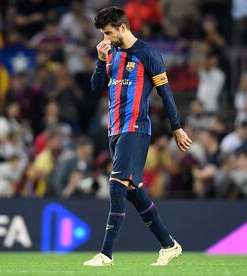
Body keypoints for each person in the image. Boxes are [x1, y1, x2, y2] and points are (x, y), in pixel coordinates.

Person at [84, 6, 192, 267]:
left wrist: (176, 127)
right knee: (132, 191)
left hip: (136, 128)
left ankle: (106, 254)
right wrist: (100, 60)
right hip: (115, 130)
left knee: (116, 183)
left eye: (108, 33)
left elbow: (165, 93)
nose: (106, 38)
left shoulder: (147, 54)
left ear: (122, 27)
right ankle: (169, 245)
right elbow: (96, 88)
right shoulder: (111, 54)